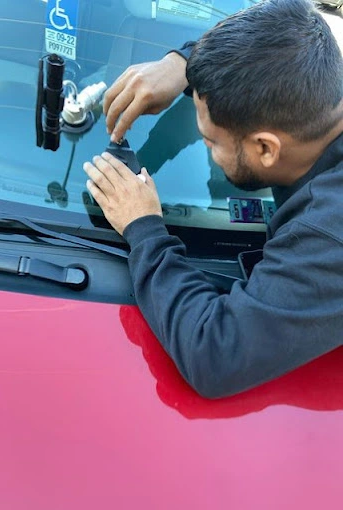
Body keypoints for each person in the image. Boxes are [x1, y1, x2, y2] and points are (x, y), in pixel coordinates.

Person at [83, 0, 343, 399]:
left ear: (266, 148)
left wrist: (144, 227)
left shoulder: (329, 232)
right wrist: (181, 63)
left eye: (209, 141)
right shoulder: (324, 78)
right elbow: (279, 35)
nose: (206, 151)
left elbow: (215, 351)